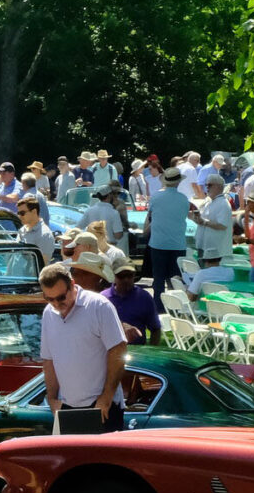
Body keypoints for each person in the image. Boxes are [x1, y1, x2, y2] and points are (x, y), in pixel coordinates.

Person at [37, 259, 128, 434]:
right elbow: (48, 360)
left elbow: (118, 350)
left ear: (72, 285)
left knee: (100, 461)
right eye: (49, 299)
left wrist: (106, 398)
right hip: (67, 407)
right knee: (71, 461)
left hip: (101, 407)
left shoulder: (98, 306)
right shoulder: (49, 313)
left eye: (61, 297)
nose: (56, 304)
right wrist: (52, 399)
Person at [144, 165, 192, 296]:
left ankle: (158, 307)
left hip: (158, 243)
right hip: (177, 244)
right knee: (176, 279)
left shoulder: (156, 197)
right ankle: (176, 306)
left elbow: (150, 216)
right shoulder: (184, 199)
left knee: (158, 279)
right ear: (178, 182)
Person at [103, 262, 163, 344]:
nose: (126, 280)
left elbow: (155, 329)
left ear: (134, 275)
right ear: (114, 276)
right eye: (121, 276)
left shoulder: (144, 297)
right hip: (109, 349)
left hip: (137, 351)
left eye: (129, 275)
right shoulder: (103, 298)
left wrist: (152, 351)